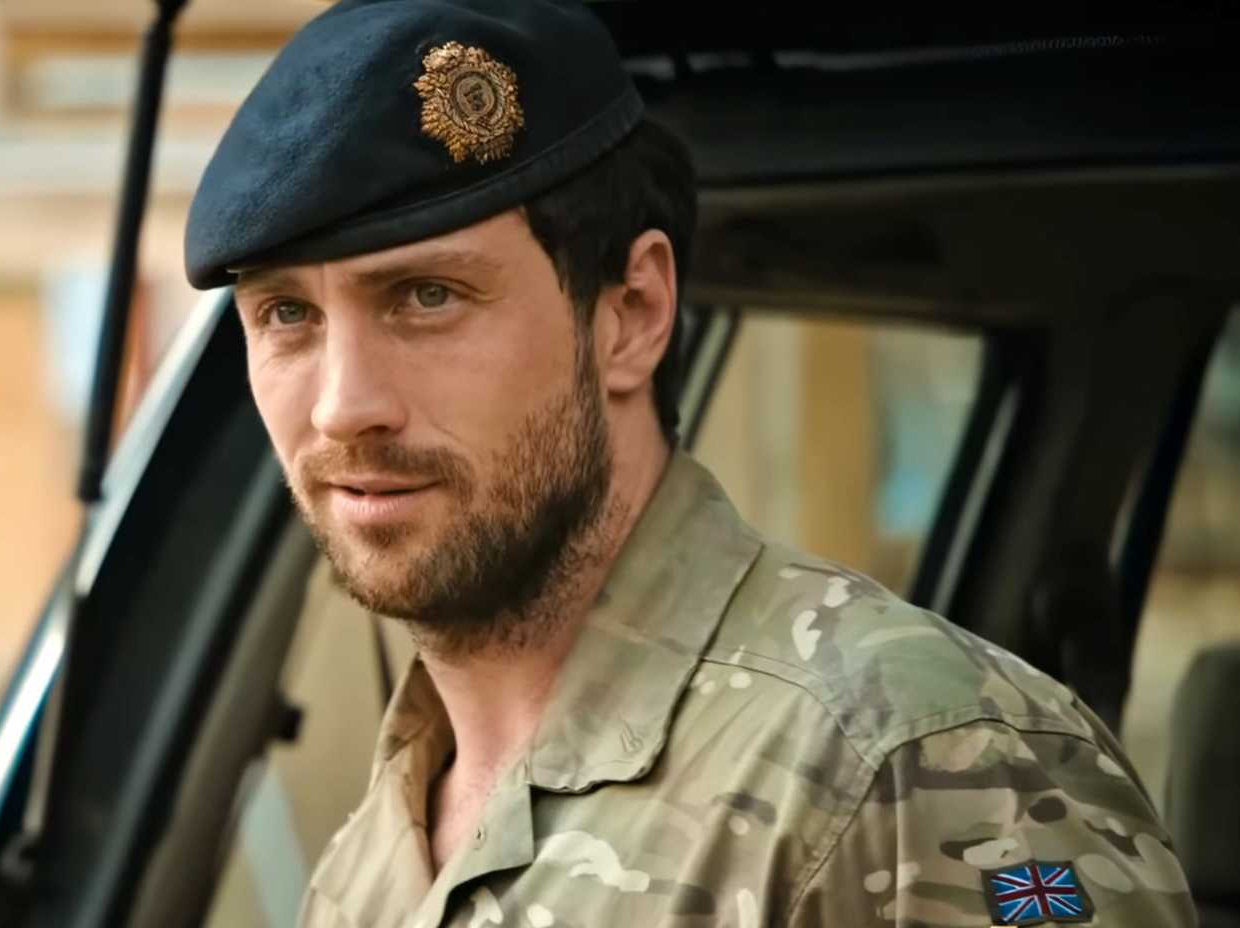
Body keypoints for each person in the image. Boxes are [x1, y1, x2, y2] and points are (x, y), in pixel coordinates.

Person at [182, 1, 1197, 925]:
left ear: (632, 314)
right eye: (286, 314)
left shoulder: (915, 766)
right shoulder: (379, 847)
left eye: (428, 296)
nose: (343, 405)